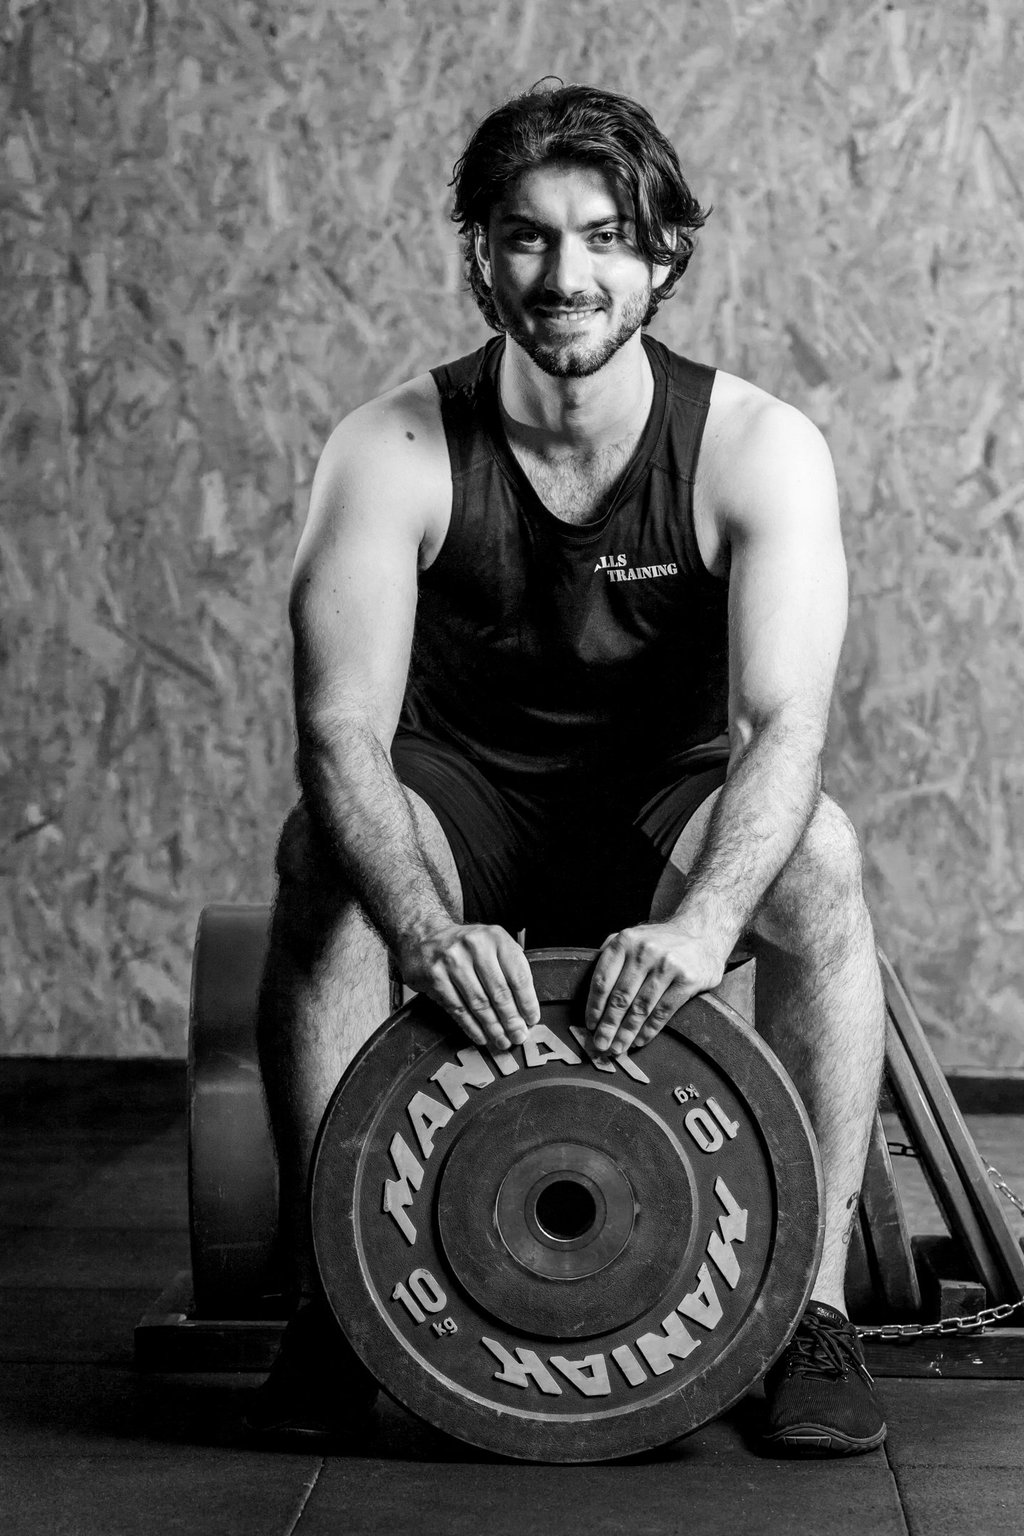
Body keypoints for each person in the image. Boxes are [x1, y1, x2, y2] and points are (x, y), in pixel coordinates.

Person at [249, 81, 888, 1457]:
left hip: (665, 811)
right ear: (480, 254)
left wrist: (709, 924)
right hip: (464, 810)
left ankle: (813, 1313)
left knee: (822, 860)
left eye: (605, 236)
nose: (565, 275)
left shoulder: (756, 448)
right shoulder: (392, 447)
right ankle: (330, 1306)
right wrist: (420, 928)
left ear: (665, 255)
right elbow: (342, 734)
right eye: (528, 236)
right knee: (318, 858)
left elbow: (782, 727)